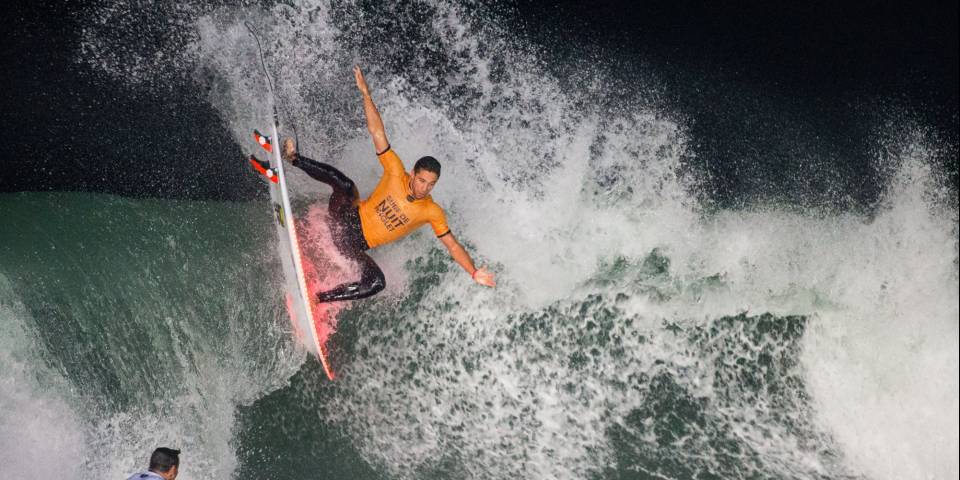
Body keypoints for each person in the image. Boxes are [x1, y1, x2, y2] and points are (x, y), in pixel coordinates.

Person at [285, 65, 496, 302]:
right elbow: (377, 133)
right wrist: (366, 95)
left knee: (377, 282)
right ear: (413, 173)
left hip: (353, 245)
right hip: (343, 217)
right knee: (345, 185)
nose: (424, 188)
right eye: (422, 180)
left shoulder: (432, 211)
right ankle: (294, 158)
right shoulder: (395, 170)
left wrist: (474, 272)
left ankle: (318, 298)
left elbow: (453, 246)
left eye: (431, 184)